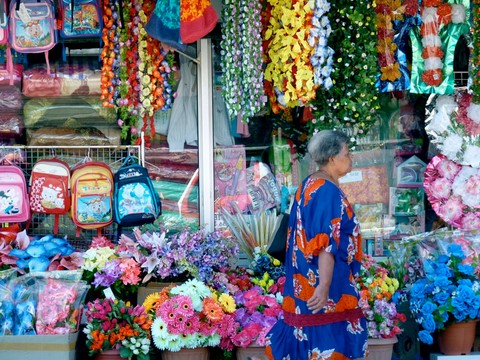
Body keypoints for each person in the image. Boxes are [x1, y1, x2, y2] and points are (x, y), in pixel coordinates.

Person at [266, 130, 367, 359]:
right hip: (323, 285)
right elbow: (325, 244)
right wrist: (324, 286)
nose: (350, 158)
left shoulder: (309, 184)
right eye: (347, 153)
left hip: (307, 278)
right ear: (332, 158)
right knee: (325, 341)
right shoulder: (326, 191)